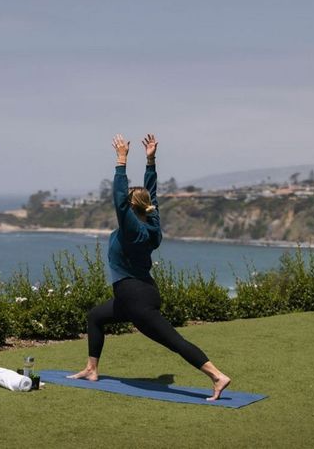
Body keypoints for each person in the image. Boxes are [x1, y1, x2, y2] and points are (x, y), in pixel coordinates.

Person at [69, 133, 231, 401]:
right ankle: (91, 368)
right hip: (135, 294)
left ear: (130, 208)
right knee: (96, 316)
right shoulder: (152, 223)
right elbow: (151, 194)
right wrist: (150, 161)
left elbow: (119, 199)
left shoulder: (131, 230)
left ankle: (217, 376)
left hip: (136, 299)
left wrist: (121, 160)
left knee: (174, 341)